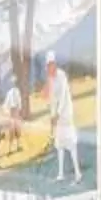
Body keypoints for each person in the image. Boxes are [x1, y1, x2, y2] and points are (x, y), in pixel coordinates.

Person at [44, 55, 82, 186]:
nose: (50, 68)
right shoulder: (50, 78)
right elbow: (52, 99)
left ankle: (78, 173)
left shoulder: (62, 76)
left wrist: (58, 114)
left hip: (66, 114)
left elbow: (64, 97)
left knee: (70, 143)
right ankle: (61, 174)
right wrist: (52, 115)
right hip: (58, 116)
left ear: (55, 64)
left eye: (51, 65)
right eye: (48, 66)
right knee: (59, 144)